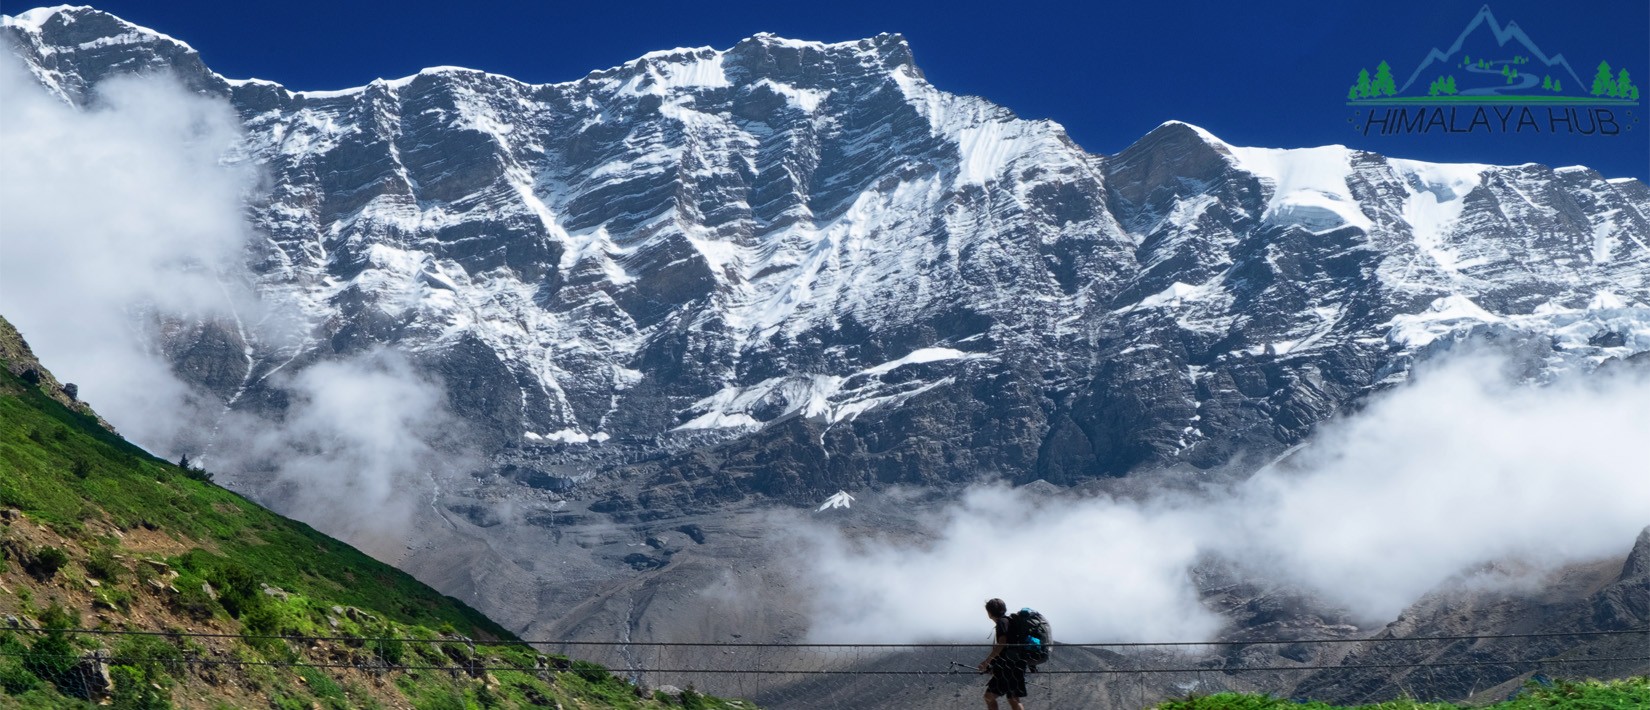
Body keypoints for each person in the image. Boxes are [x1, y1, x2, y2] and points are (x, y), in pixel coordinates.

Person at [976, 598, 1027, 710]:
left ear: (989, 613)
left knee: (991, 697)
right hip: (1015, 665)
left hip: (1009, 667)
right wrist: (994, 666)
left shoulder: (1002, 622)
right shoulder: (1009, 621)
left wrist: (986, 662)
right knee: (1012, 698)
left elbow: (1002, 643)